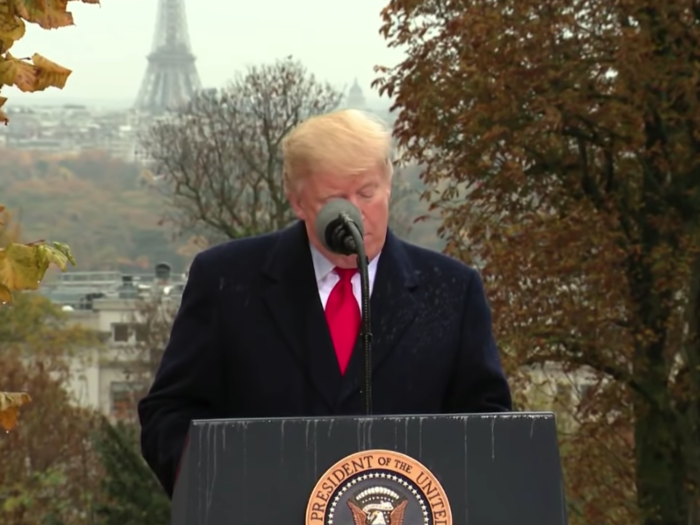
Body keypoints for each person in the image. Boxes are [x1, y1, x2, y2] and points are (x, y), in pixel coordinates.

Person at [138, 109, 512, 497]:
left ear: (388, 186)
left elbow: (488, 427)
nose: (354, 214)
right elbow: (170, 413)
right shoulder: (225, 280)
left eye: (367, 194)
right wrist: (220, 488)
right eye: (334, 200)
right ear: (298, 202)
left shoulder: (453, 289)